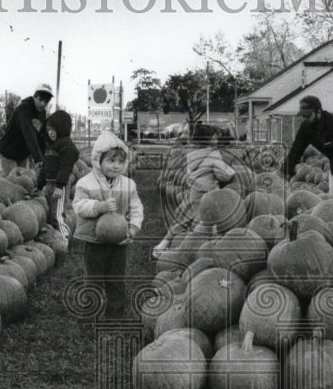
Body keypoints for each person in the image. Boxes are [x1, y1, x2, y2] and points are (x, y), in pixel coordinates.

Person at [72, 130, 144, 320]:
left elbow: (136, 207)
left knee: (116, 279)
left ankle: (115, 314)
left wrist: (134, 227)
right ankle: (90, 313)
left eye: (120, 162)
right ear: (98, 160)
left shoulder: (128, 185)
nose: (116, 166)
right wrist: (99, 206)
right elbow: (79, 206)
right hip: (94, 241)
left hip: (119, 241)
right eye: (111, 161)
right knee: (93, 279)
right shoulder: (85, 183)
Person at [151, 122, 235, 257]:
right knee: (203, 223)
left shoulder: (193, 154)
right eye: (214, 138)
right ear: (207, 141)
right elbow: (225, 173)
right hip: (207, 194)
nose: (217, 140)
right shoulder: (213, 155)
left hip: (194, 190)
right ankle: (188, 251)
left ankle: (163, 245)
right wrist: (233, 173)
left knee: (183, 219)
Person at [39, 109, 80, 243]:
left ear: (62, 129)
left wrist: (59, 186)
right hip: (49, 184)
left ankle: (64, 239)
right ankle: (53, 238)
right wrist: (39, 185)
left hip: (60, 186)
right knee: (47, 213)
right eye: (49, 129)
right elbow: (45, 167)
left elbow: (65, 168)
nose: (50, 132)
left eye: (54, 130)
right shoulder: (51, 146)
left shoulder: (66, 146)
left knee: (57, 216)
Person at [0, 82, 53, 177]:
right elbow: (28, 133)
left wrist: (44, 157)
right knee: (13, 182)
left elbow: (41, 136)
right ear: (35, 96)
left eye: (46, 102)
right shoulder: (23, 109)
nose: (43, 104)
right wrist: (38, 158)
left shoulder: (42, 113)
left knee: (24, 182)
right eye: (40, 100)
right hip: (8, 153)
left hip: (22, 155)